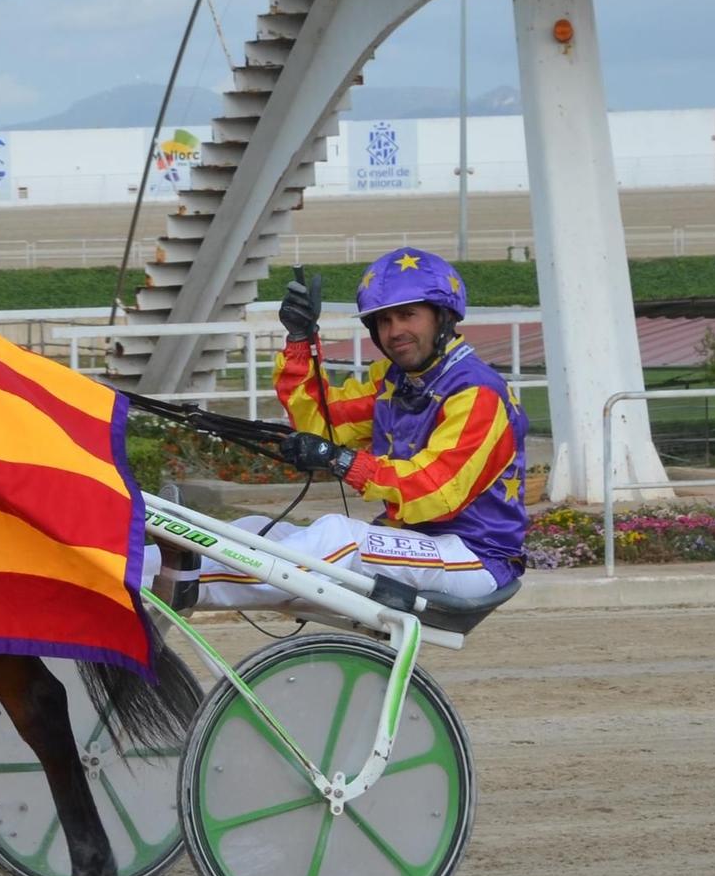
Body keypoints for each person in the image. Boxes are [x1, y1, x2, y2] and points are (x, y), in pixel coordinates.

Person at [186, 246, 529, 609]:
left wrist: (344, 462)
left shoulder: (477, 392)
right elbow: (321, 424)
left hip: (473, 555)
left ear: (442, 316)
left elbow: (434, 492)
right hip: (417, 543)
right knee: (257, 530)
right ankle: (135, 567)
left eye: (407, 315)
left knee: (340, 537)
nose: (395, 331)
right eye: (383, 321)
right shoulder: (398, 383)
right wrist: (301, 342)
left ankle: (176, 583)